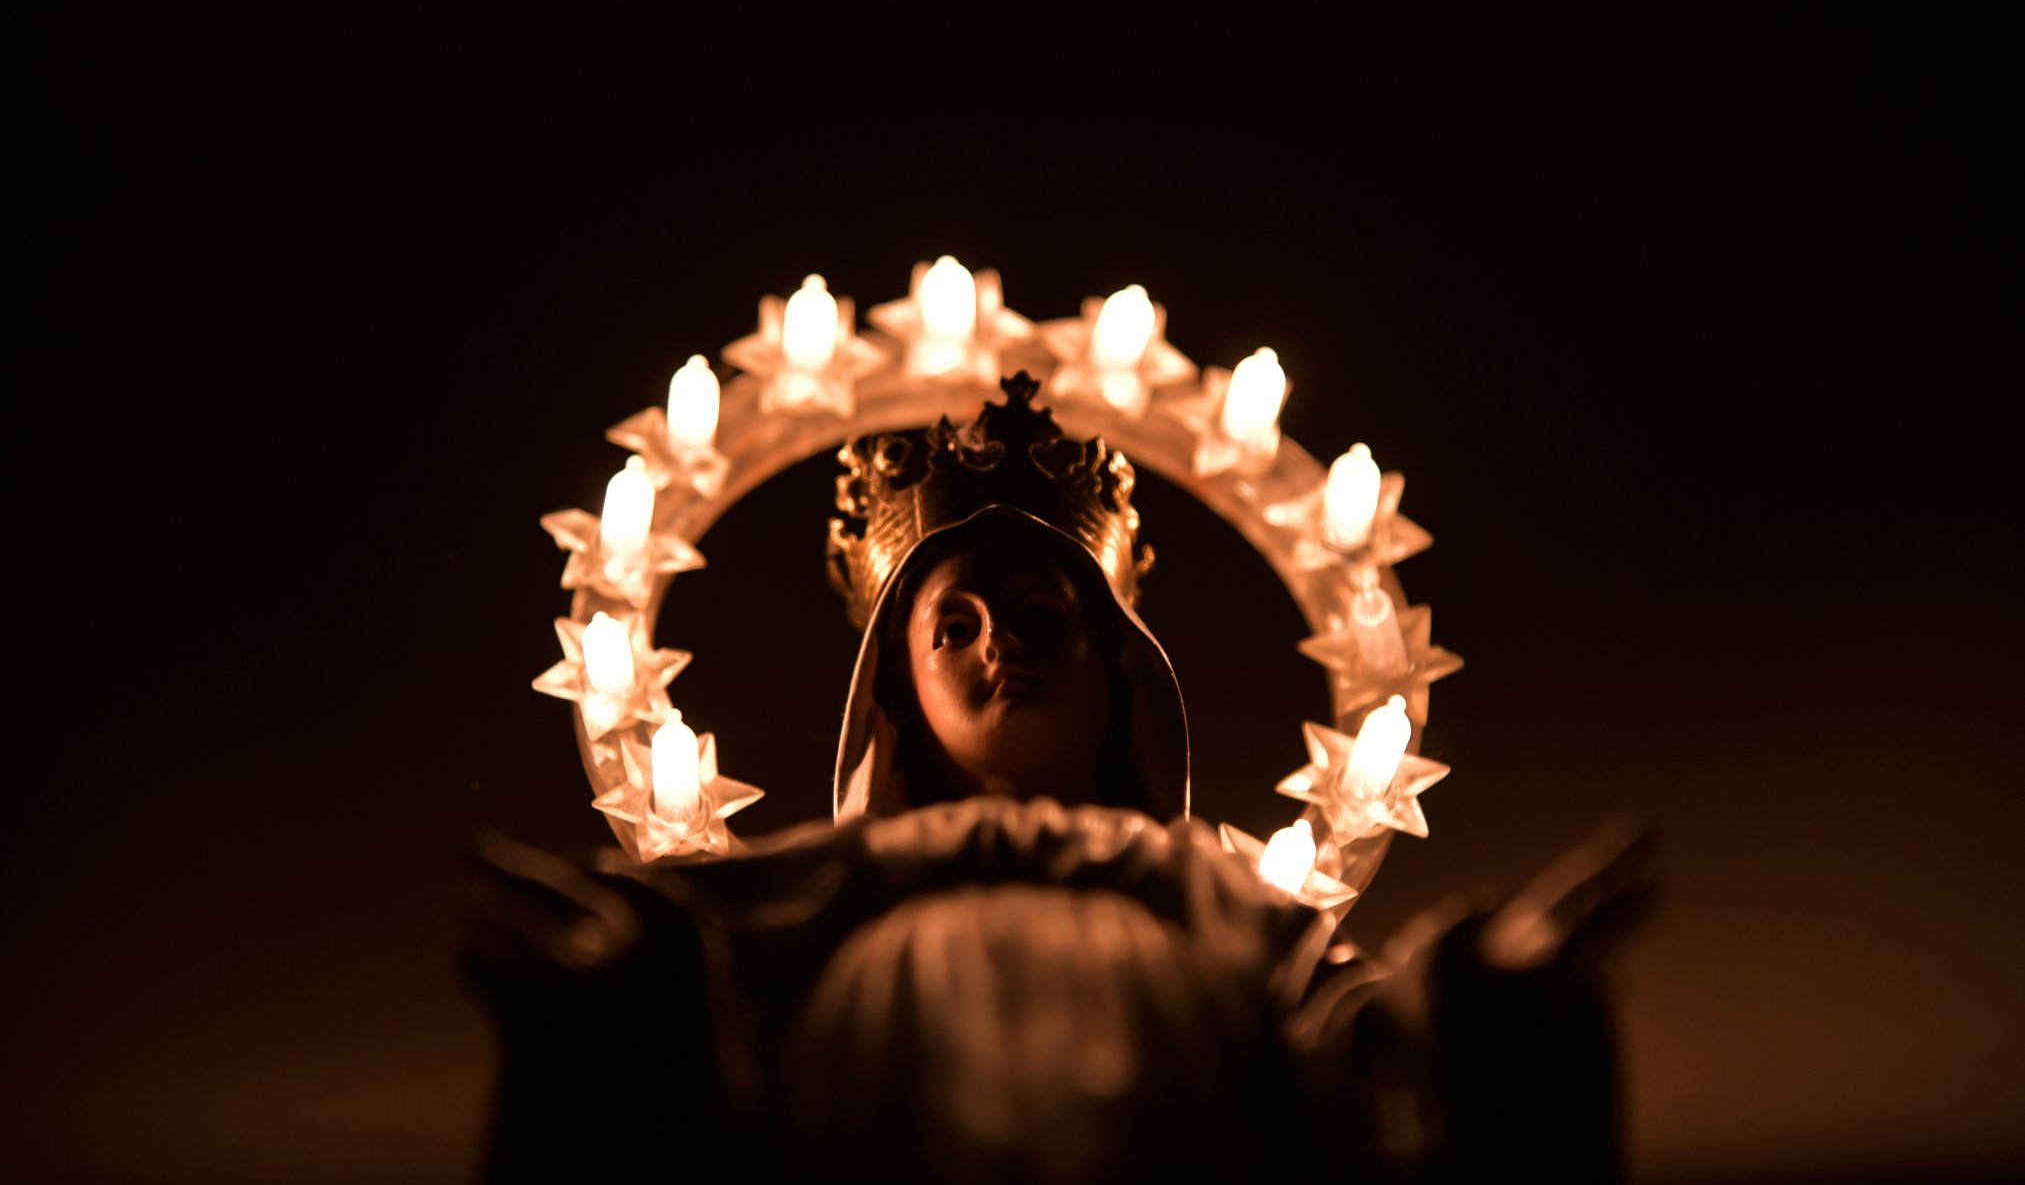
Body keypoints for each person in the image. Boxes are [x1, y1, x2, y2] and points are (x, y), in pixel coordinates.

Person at [463, 375, 1653, 1184]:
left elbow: (1348, 1050)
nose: (998, 646)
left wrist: (1482, 990)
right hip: (879, 1083)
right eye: (954, 626)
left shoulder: (1195, 887)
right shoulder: (842, 887)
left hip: (1166, 1086)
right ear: (897, 690)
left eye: (1038, 614)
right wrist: (617, 984)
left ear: (1122, 668)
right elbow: (703, 1027)